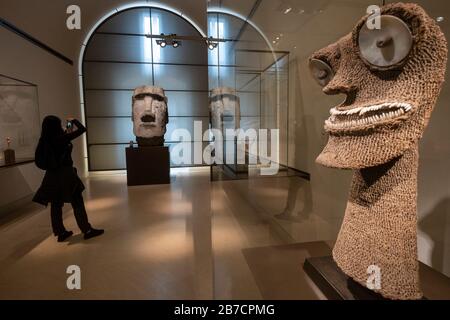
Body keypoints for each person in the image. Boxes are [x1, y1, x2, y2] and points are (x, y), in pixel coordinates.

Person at [33, 116, 104, 242]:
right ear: (56, 126)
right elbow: (82, 129)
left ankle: (60, 232)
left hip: (51, 176)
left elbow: (67, 133)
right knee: (77, 201)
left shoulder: (44, 140)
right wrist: (73, 120)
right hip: (66, 174)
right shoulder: (61, 139)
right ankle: (86, 230)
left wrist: (69, 125)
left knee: (56, 204)